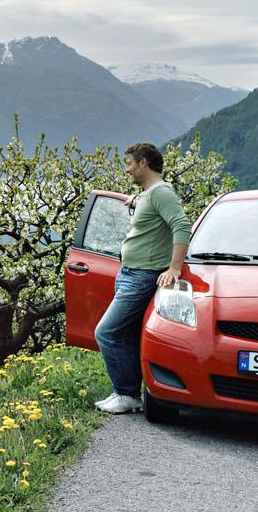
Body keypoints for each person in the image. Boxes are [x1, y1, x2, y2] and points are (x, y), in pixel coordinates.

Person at [94, 143, 193, 414]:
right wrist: (136, 200)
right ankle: (127, 393)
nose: (126, 169)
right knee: (125, 334)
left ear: (143, 163)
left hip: (141, 276)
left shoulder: (161, 193)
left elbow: (181, 226)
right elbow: (152, 209)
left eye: (129, 163)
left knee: (107, 332)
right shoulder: (150, 194)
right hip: (130, 273)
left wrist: (174, 268)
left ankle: (127, 395)